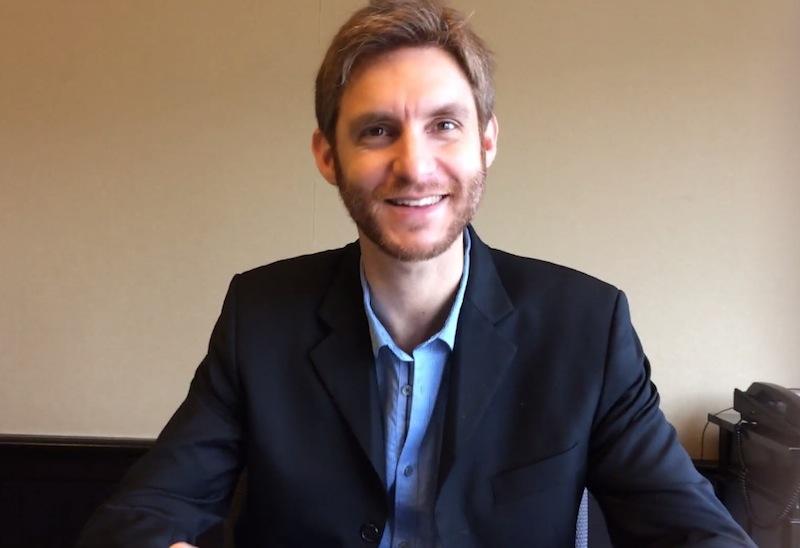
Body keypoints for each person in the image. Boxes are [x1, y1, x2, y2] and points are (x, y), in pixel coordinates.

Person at [79, 1, 756, 546]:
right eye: (377, 131)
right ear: (327, 155)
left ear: (486, 140)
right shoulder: (260, 316)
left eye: (444, 125)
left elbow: (699, 533)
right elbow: (140, 517)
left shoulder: (585, 327)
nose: (415, 165)